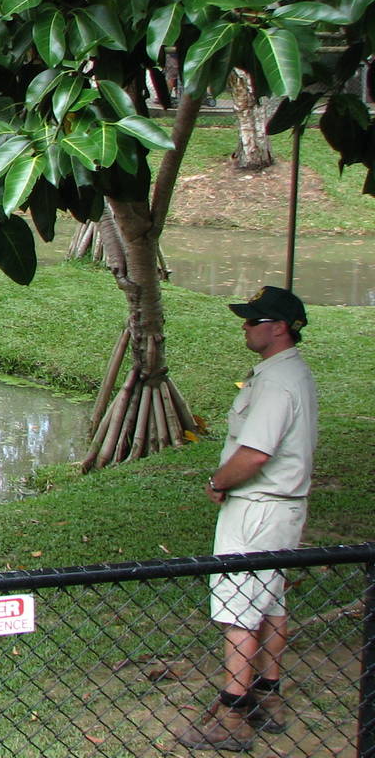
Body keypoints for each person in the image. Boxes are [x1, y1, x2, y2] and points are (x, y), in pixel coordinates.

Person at [176, 285, 318, 751]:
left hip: (257, 508)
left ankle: (234, 711)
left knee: (238, 606)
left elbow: (255, 454)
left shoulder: (277, 382)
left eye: (254, 320)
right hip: (282, 509)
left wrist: (219, 481)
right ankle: (267, 692)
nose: (245, 325)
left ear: (279, 328)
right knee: (270, 601)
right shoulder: (290, 374)